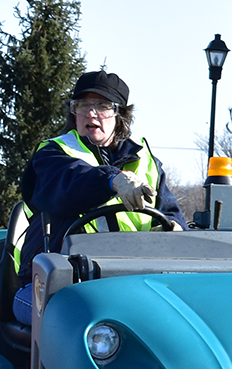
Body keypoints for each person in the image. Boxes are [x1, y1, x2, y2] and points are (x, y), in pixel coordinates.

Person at [12, 70, 188, 324]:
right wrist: (112, 180)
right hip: (56, 284)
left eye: (103, 106)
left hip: (130, 282)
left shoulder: (147, 161)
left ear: (121, 115)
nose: (91, 113)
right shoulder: (53, 154)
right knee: (78, 321)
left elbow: (172, 216)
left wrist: (174, 230)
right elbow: (70, 183)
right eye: (82, 105)